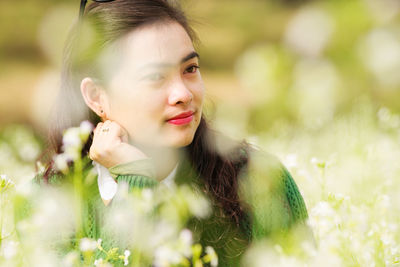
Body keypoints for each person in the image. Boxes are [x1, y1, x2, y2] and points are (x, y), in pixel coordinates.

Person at [34, 0, 310, 265]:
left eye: (190, 69)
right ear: (97, 97)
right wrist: (135, 177)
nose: (183, 94)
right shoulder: (45, 205)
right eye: (155, 77)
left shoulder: (260, 180)